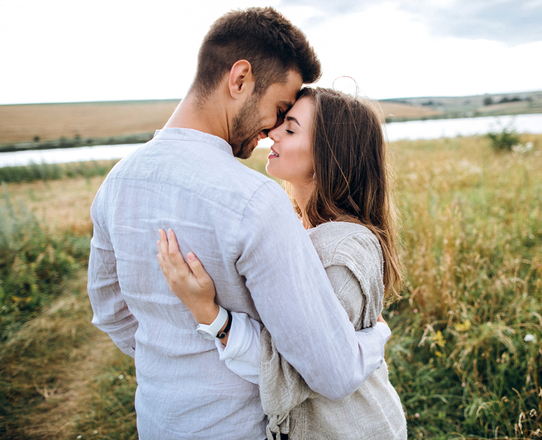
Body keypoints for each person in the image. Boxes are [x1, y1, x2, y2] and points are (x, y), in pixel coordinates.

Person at [87, 8, 391, 439]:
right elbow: (334, 372)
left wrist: (175, 360)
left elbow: (110, 311)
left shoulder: (115, 185)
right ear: (240, 79)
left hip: (158, 422)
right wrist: (376, 340)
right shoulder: (254, 201)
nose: (271, 130)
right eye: (279, 108)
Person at [157, 87, 408, 439]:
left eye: (290, 129)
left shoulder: (341, 250)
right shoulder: (298, 227)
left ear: (328, 155)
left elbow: (304, 370)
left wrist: (209, 315)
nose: (272, 133)